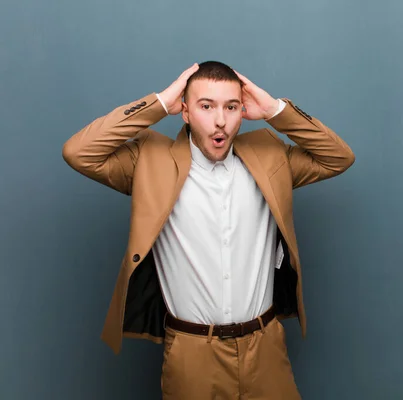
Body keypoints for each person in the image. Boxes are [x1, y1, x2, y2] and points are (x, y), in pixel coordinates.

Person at [62, 61, 355, 399]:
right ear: (184, 112)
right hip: (192, 353)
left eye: (231, 107)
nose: (220, 120)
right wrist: (158, 103)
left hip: (266, 348)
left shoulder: (271, 157)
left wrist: (276, 110)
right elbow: (79, 152)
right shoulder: (149, 161)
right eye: (206, 106)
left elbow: (338, 157)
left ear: (242, 112)